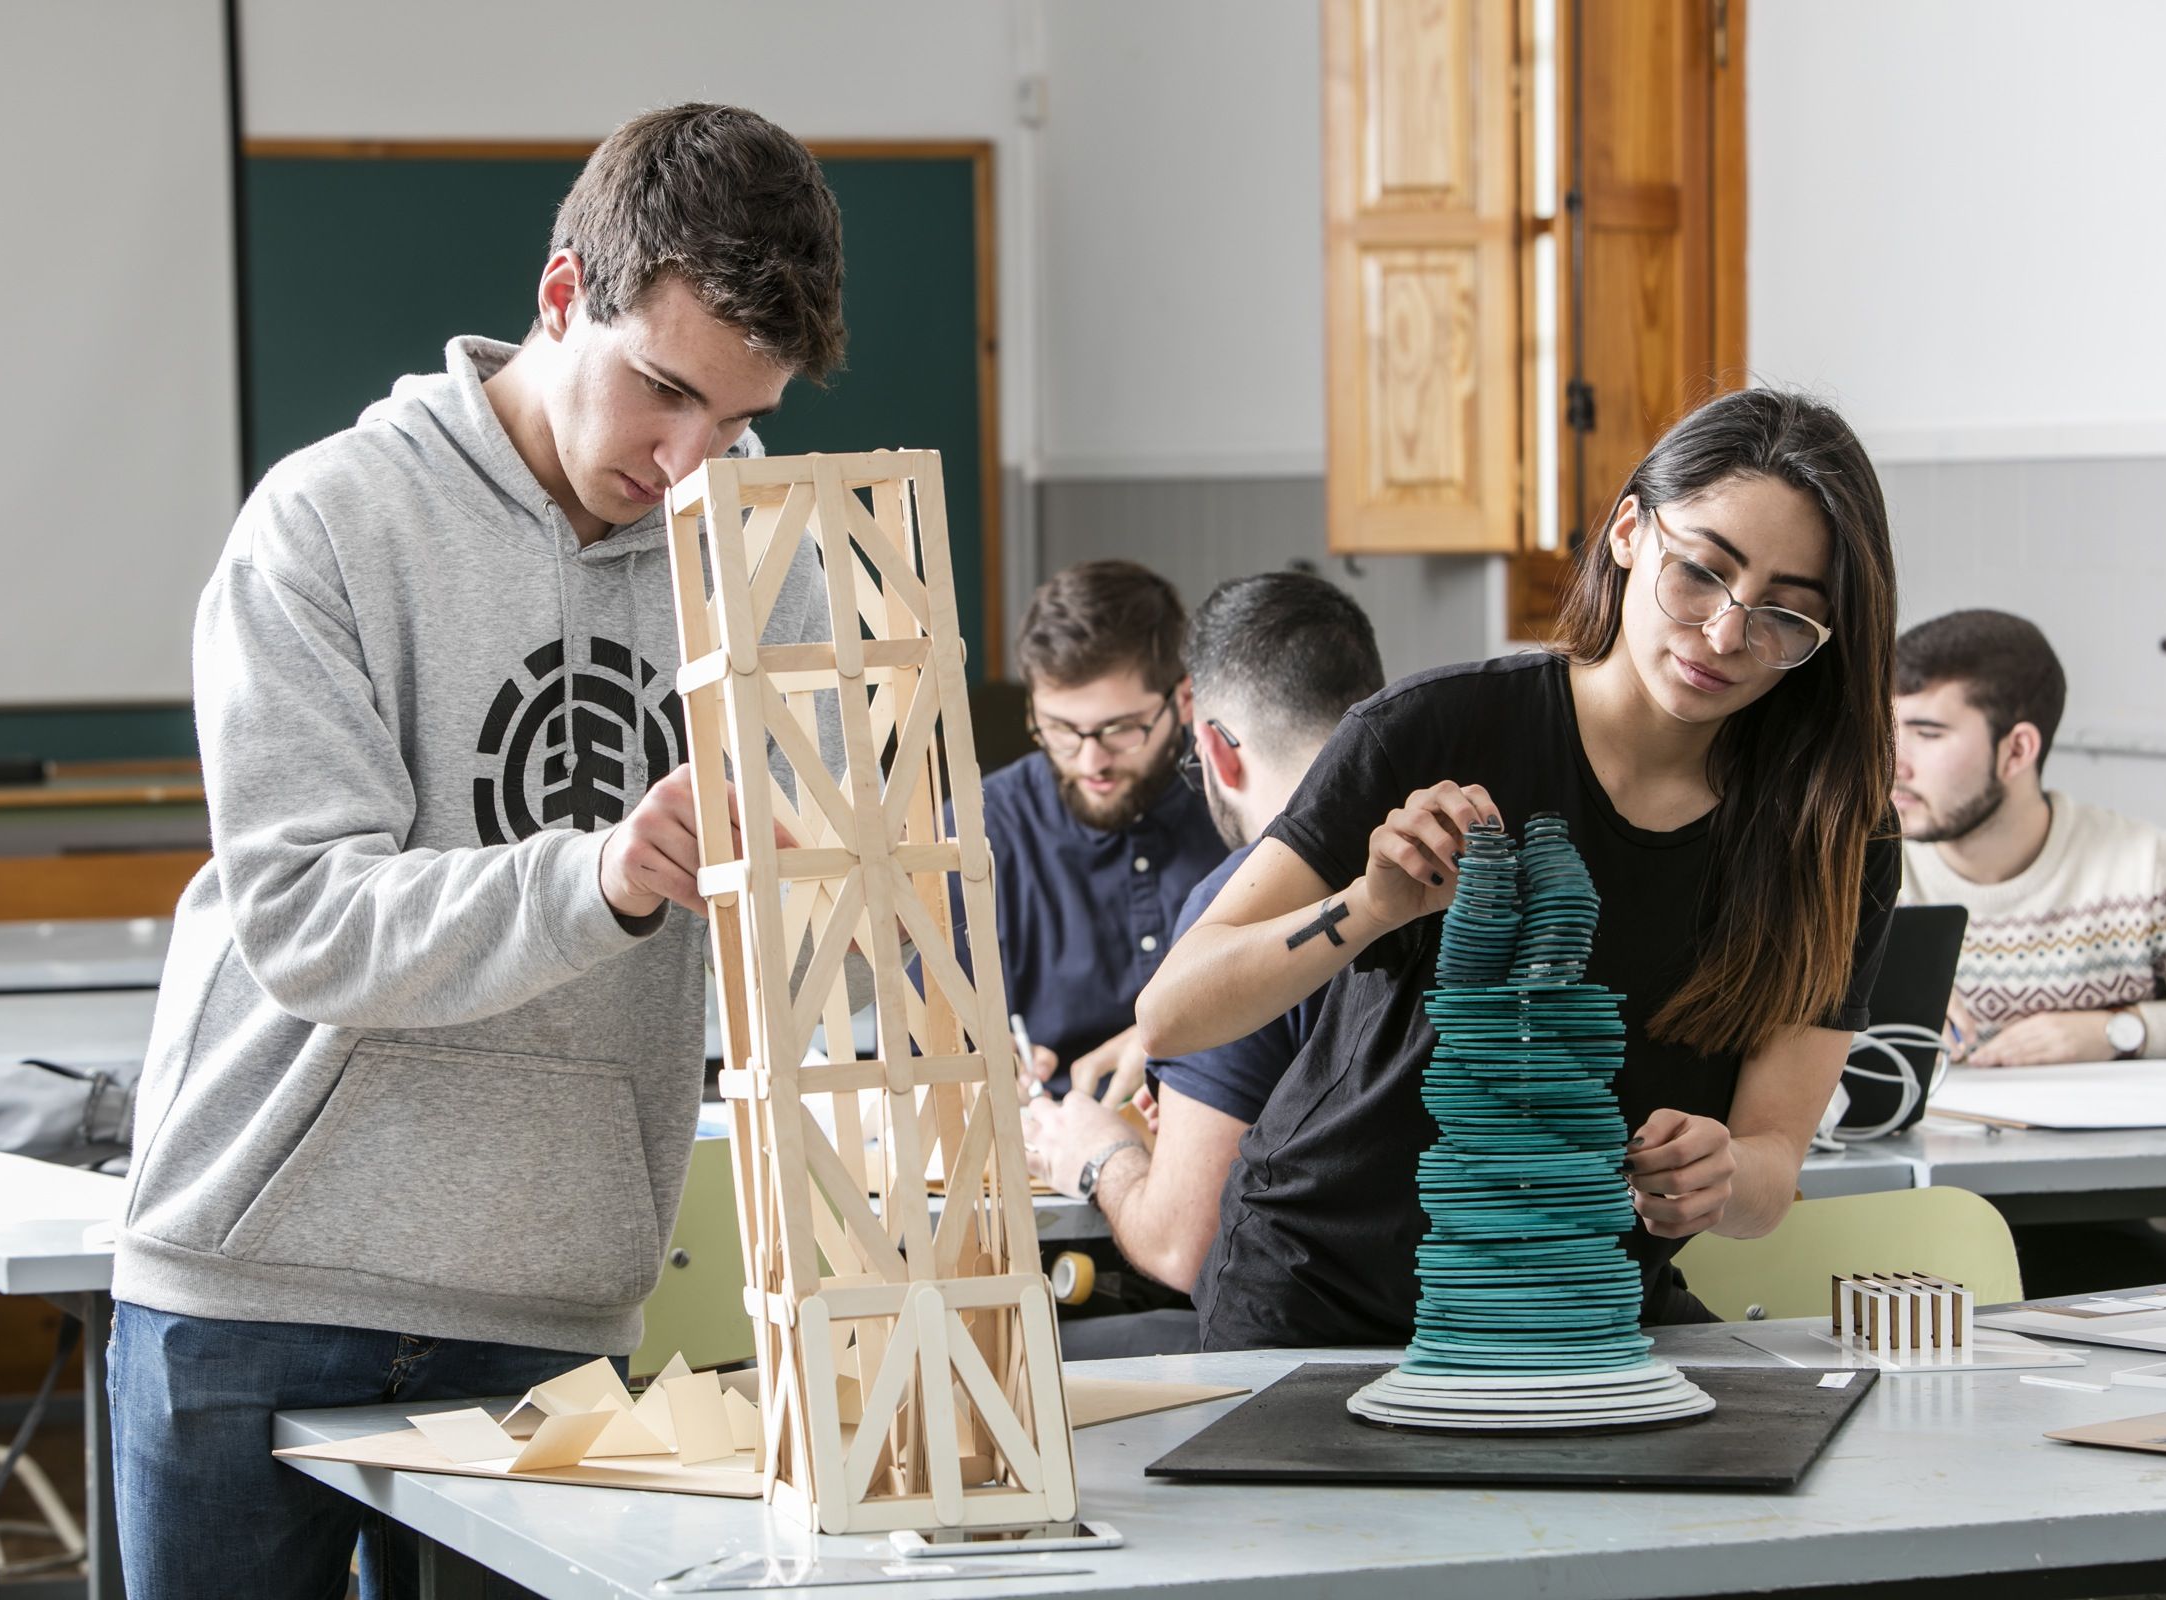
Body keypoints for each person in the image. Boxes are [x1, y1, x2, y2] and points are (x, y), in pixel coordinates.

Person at [108, 105, 846, 1599]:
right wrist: (606, 875)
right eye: (662, 393)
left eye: (740, 421)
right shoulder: (322, 526)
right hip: (258, 1282)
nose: (691, 460)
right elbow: (308, 921)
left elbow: (828, 926)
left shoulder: (772, 575)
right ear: (563, 294)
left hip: (548, 1306)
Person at [1138, 388, 1901, 1348]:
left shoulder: (1834, 833)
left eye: (1786, 616)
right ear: (1629, 531)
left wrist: (1724, 1174)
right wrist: (1368, 908)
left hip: (1573, 1312)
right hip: (1320, 1303)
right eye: (1702, 573)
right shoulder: (1436, 729)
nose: (1724, 638)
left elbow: (1770, 1172)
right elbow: (1174, 1009)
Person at [1023, 571, 1385, 1306]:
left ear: (1213, 747)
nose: (1092, 759)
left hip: (1309, 1362)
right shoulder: (1490, 855)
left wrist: (1098, 1155)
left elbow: (1183, 1248)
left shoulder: (1230, 910)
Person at [1894, 607, 2166, 1294]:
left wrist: (2119, 1031)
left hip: (2072, 1227)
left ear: (2017, 750)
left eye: (1927, 734)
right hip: (1876, 1221)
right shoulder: (1847, 872)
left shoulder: (2148, 870)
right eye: (1887, 730)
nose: (1892, 761)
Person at [979, 560, 1227, 1104]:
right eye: (1061, 731)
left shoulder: (1241, 810)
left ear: (1184, 699)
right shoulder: (977, 832)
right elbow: (921, 1050)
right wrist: (979, 1069)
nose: (1091, 761)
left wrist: (1172, 1039)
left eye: (1120, 730)